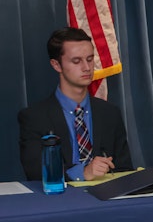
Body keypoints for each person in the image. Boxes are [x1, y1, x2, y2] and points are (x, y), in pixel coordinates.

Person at [18, 27, 133, 181]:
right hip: (59, 202)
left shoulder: (109, 113)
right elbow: (35, 173)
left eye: (90, 59)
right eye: (76, 61)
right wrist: (83, 172)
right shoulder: (34, 117)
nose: (86, 68)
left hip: (106, 200)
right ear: (56, 65)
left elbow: (124, 169)